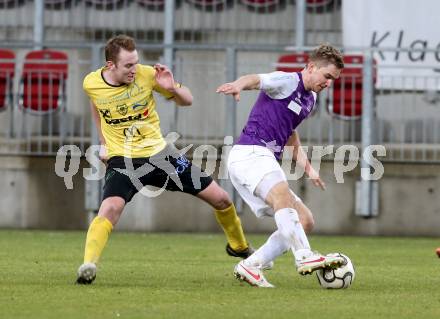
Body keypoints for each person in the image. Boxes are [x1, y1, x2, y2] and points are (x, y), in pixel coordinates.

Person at [76, 34, 253, 284]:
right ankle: (88, 266)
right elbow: (97, 104)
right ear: (110, 66)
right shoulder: (91, 83)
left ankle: (239, 246)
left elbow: (188, 101)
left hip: (161, 155)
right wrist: (104, 143)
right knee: (110, 208)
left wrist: (172, 89)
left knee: (221, 198)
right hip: (123, 160)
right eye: (128, 65)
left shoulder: (147, 75)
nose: (134, 69)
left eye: (136, 62)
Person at [216, 44, 345, 288]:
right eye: (327, 76)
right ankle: (304, 256)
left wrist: (308, 168)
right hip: (250, 153)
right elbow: (256, 79)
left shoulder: (311, 98)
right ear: (310, 67)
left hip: (261, 158)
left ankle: (251, 265)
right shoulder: (287, 81)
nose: (329, 83)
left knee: (305, 220)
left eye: (333, 80)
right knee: (283, 196)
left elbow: (290, 134)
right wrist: (238, 85)